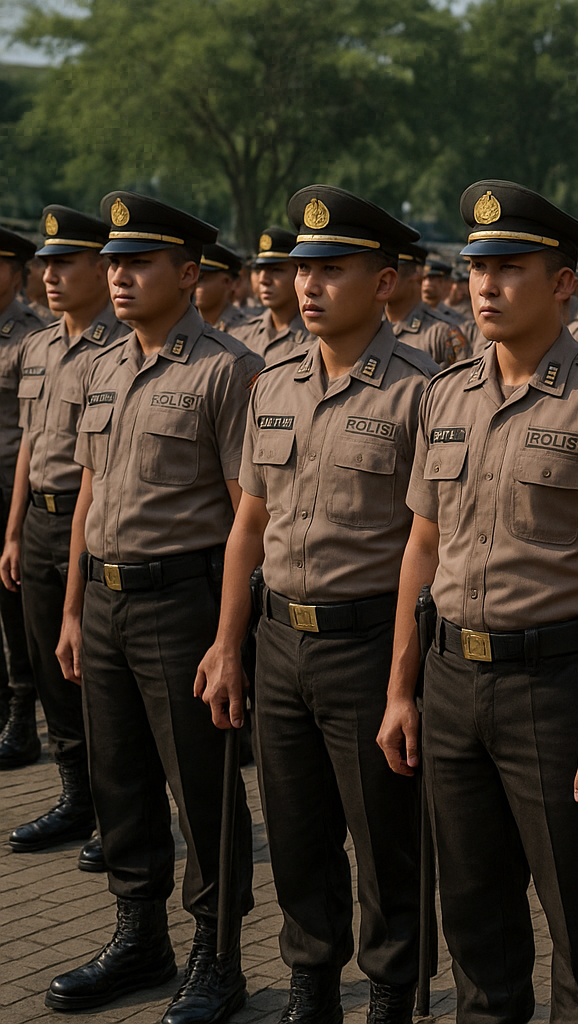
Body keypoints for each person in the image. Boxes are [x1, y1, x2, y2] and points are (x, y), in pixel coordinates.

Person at [377, 179, 578, 1024]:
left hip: (557, 685)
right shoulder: (445, 395)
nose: (486, 286)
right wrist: (401, 689)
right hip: (454, 679)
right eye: (476, 267)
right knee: (472, 910)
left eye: (510, 267)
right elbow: (421, 547)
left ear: (565, 282)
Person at [194, 186, 433, 1024]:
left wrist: (405, 683)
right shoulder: (275, 383)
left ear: (384, 281)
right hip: (279, 638)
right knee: (295, 833)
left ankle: (394, 992)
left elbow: (423, 549)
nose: (309, 285)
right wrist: (228, 644)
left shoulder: (422, 392)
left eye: (333, 269)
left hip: (369, 642)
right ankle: (312, 984)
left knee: (384, 839)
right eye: (303, 270)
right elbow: (247, 525)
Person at [47, 192, 262, 1024]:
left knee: (201, 787)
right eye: (114, 261)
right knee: (120, 779)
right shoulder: (103, 366)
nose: (119, 274)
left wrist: (229, 638)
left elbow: (250, 511)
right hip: (104, 600)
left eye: (138, 262)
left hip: (184, 602)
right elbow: (89, 495)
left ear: (188, 273)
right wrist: (71, 608)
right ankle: (140, 936)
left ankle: (218, 954)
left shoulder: (227, 369)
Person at [3, 209, 128, 875]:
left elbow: (94, 472)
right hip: (40, 521)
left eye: (65, 264)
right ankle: (75, 796)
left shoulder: (114, 352)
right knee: (52, 675)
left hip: (89, 522)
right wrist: (14, 529)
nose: (49, 276)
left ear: (99, 273)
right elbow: (29, 443)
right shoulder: (38, 347)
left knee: (93, 684)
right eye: (45, 264)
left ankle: (117, 815)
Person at [0, 227, 47, 771]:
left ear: (16, 272)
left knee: (17, 609)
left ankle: (20, 708)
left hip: (14, 486)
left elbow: (31, 436)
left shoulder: (27, 336)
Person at [228, 227, 313, 363]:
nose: (263, 279)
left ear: (299, 273)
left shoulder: (317, 339)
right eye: (259, 269)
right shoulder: (241, 334)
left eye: (276, 270)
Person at [386, 244, 468, 367]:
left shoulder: (443, 332)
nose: (383, 281)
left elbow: (461, 381)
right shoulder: (367, 326)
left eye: (391, 275)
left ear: (417, 278)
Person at [194, 243, 253, 332]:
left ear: (228, 282)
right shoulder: (187, 325)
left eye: (201, 278)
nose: (194, 284)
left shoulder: (247, 330)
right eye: (192, 277)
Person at [421, 256, 464, 324]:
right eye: (424, 278)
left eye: (433, 279)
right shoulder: (407, 312)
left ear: (448, 283)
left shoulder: (455, 318)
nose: (427, 283)